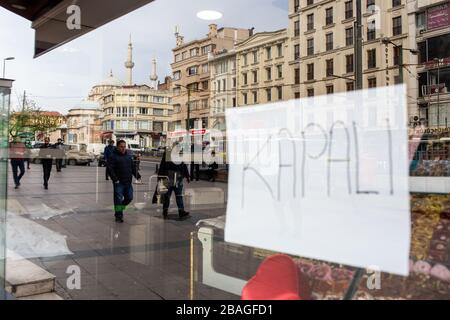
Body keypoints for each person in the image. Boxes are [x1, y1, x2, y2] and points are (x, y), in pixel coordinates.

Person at [107, 140, 141, 223]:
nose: (123, 148)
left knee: (129, 197)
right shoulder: (113, 156)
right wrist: (115, 180)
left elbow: (132, 167)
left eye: (124, 147)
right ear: (117, 147)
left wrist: (137, 175)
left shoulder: (128, 156)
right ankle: (118, 216)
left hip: (128, 182)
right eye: (121, 147)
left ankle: (119, 208)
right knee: (118, 199)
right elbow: (110, 169)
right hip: (119, 182)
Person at [155, 144, 190, 220]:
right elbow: (162, 165)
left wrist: (187, 176)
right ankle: (165, 211)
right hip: (168, 177)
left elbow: (183, 165)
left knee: (179, 195)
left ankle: (181, 211)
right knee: (167, 195)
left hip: (178, 177)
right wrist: (160, 177)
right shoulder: (168, 153)